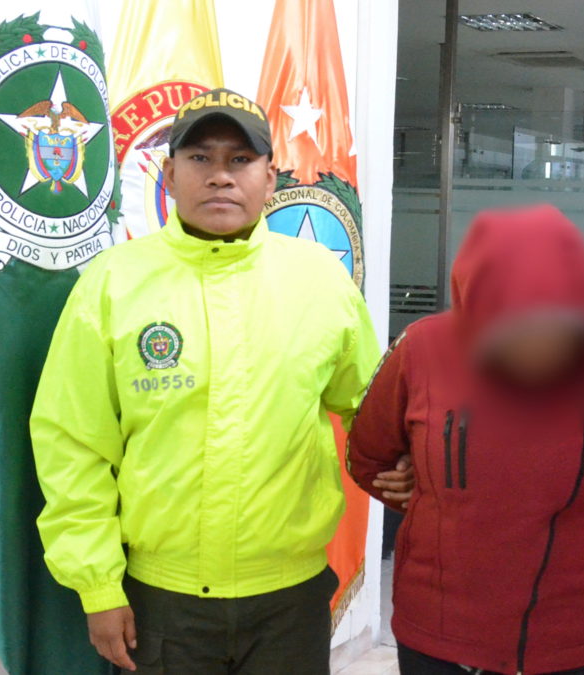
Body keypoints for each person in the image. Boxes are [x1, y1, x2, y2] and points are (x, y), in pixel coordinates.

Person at [30, 88, 386, 674]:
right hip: (160, 602)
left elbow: (371, 413)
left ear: (270, 179)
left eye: (240, 160)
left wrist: (411, 468)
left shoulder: (322, 281)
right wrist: (97, 585)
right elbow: (73, 443)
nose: (221, 176)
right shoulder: (113, 282)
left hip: (289, 602)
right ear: (170, 175)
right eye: (200, 158)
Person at [347, 204, 584, 675]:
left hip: (573, 636)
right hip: (437, 632)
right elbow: (369, 457)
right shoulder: (421, 348)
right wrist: (436, 495)